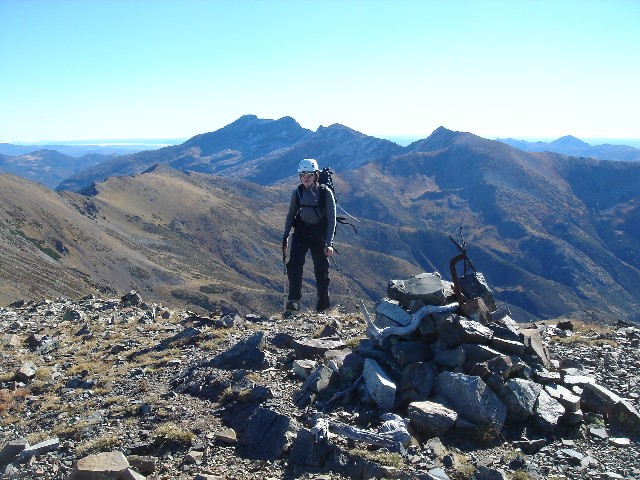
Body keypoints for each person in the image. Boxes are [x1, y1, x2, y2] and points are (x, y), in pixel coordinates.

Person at [282, 158, 337, 312]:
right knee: (294, 264)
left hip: (320, 235)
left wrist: (329, 243)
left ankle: (323, 304)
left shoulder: (326, 193)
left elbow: (332, 220)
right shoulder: (297, 193)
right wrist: (285, 236)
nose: (306, 177)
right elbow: (290, 215)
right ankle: (294, 301)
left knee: (321, 268)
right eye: (303, 174)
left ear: (316, 175)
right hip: (301, 232)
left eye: (309, 174)